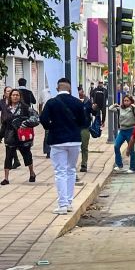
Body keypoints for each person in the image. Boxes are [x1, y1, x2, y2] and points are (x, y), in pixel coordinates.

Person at [40, 78, 89, 214]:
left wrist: (51, 127)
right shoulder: (77, 103)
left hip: (57, 140)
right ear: (70, 89)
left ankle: (62, 205)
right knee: (71, 170)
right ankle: (69, 203)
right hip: (74, 140)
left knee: (60, 171)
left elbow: (43, 119)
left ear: (57, 89)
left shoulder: (51, 102)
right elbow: (84, 121)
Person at [1, 89, 39, 185]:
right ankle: (6, 178)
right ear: (10, 97)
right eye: (13, 95)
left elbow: (36, 117)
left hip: (23, 136)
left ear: (20, 97)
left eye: (17, 95)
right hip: (10, 136)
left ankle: (32, 173)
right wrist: (0, 135)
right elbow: (4, 124)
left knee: (27, 155)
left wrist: (26, 123)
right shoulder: (6, 108)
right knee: (8, 157)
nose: (15, 97)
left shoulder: (25, 107)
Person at [108, 96, 135, 173]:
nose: (126, 102)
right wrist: (115, 105)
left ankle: (132, 167)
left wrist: (134, 105)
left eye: (127, 100)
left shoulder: (133, 109)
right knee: (116, 146)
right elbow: (110, 109)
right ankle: (119, 165)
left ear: (131, 101)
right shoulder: (120, 108)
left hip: (131, 130)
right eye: (124, 100)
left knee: (131, 149)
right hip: (122, 130)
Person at [77, 86, 98, 173]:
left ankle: (84, 164)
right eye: (78, 91)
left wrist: (94, 109)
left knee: (84, 147)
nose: (79, 93)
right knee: (73, 148)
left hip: (85, 127)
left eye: (80, 91)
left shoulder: (87, 101)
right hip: (74, 128)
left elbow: (92, 113)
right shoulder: (73, 100)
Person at [1, 86, 21, 170]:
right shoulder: (1, 102)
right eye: (8, 91)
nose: (9, 93)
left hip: (14, 126)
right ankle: (16, 161)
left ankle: (15, 161)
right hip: (5, 124)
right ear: (5, 93)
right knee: (9, 144)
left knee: (10, 144)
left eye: (10, 91)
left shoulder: (15, 102)